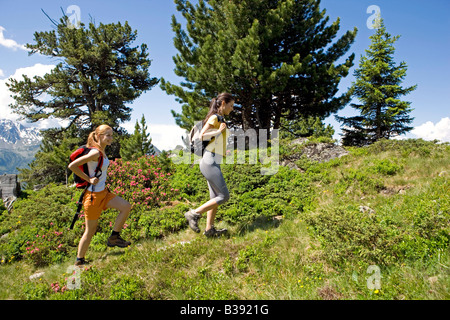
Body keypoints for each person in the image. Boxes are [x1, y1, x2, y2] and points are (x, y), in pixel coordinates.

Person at [68, 124, 132, 266]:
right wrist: (89, 179)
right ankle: (80, 260)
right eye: (107, 135)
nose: (111, 138)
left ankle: (114, 237)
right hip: (93, 197)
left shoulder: (101, 151)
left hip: (103, 193)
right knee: (90, 231)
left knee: (126, 206)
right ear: (98, 136)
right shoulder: (95, 153)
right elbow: (72, 166)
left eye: (111, 135)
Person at [185, 93, 234, 237]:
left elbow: (215, 140)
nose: (232, 109)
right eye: (230, 105)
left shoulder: (220, 119)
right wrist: (219, 132)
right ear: (223, 103)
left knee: (215, 198)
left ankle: (209, 230)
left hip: (213, 160)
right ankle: (194, 214)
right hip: (209, 161)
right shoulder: (215, 117)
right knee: (224, 196)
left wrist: (224, 151)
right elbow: (202, 136)